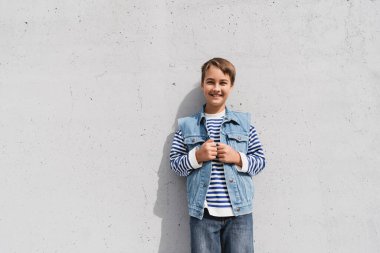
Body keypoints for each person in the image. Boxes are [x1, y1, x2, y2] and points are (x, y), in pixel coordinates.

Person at [169, 57, 266, 253]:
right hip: (203, 215)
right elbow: (175, 164)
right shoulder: (187, 126)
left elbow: (260, 161)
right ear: (203, 85)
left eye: (223, 82)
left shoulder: (244, 125)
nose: (216, 88)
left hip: (240, 214)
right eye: (210, 82)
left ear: (231, 86)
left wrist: (237, 158)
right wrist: (197, 156)